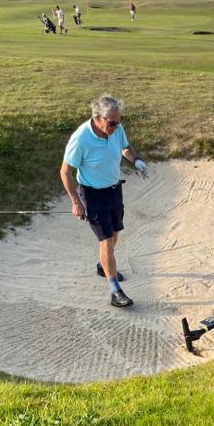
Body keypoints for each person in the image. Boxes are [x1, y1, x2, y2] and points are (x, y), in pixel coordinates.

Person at [60, 95, 148, 308]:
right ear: (98, 119)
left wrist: (136, 160)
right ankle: (115, 291)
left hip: (114, 189)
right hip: (92, 194)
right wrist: (76, 202)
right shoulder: (81, 139)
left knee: (115, 232)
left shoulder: (116, 128)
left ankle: (103, 266)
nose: (117, 126)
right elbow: (65, 172)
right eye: (112, 122)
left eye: (118, 121)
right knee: (106, 240)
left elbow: (125, 147)